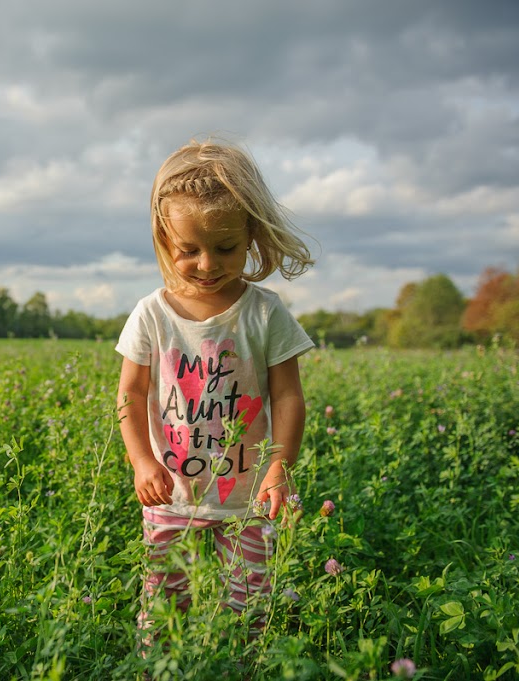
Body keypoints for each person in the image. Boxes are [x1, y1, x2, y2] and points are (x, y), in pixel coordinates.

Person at [115, 139, 315, 656]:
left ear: (251, 234)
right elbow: (130, 396)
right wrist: (141, 462)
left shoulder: (265, 313)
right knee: (163, 605)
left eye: (226, 247)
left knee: (251, 607)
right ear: (164, 238)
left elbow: (289, 397)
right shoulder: (151, 314)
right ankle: (155, 669)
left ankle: (244, 668)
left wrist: (280, 469)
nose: (207, 263)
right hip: (171, 495)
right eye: (189, 250)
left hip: (247, 499)